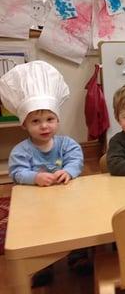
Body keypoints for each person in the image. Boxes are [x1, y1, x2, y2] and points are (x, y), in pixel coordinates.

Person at [0, 60, 88, 286]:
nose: (44, 126)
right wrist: (34, 177)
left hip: (67, 199)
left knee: (79, 223)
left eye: (49, 119)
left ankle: (78, 256)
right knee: (39, 232)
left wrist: (68, 171)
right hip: (36, 204)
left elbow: (76, 160)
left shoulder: (66, 144)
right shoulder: (22, 151)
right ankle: (43, 265)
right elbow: (17, 172)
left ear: (57, 120)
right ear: (24, 125)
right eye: (36, 121)